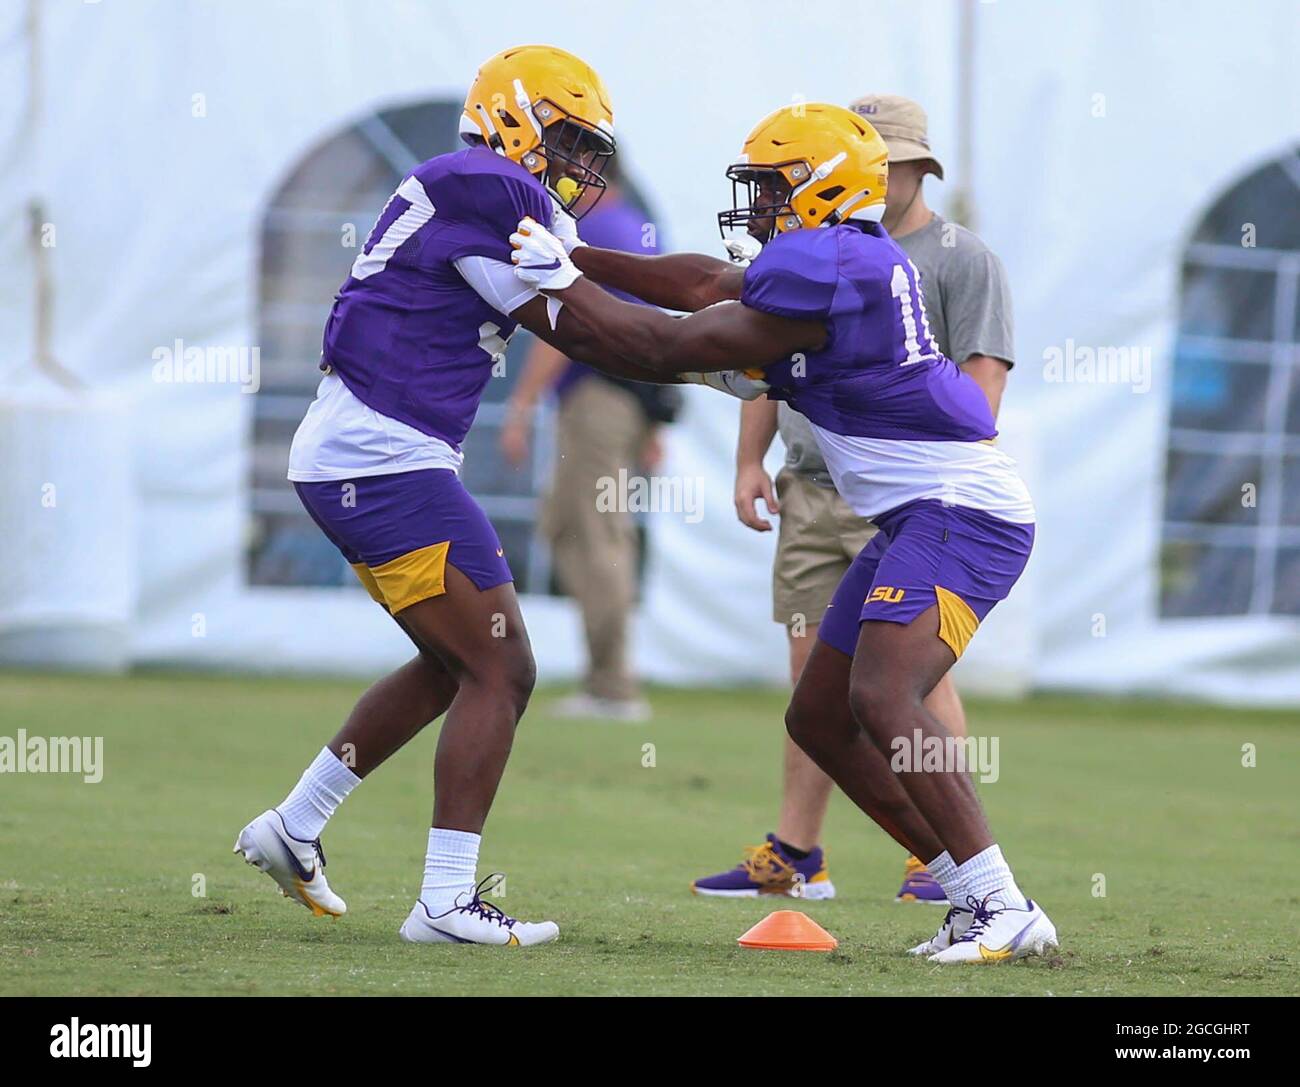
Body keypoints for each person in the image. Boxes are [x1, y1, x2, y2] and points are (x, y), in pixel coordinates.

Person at [505, 102, 1057, 963]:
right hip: (921, 512)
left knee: (881, 697)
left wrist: (537, 289)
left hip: (964, 514)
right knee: (821, 719)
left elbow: (657, 345)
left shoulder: (836, 266)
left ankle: (1000, 903)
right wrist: (577, 257)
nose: (756, 204)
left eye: (770, 186)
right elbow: (698, 285)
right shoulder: (843, 258)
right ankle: (972, 894)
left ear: (816, 186)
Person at [232, 44, 625, 947]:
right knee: (503, 666)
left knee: (458, 663)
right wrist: (724, 354)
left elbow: (597, 300)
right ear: (515, 119)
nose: (575, 164)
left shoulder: (478, 197)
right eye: (566, 137)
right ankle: (444, 902)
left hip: (367, 453)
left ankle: (293, 826)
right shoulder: (487, 184)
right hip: (382, 455)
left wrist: (710, 317)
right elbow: (612, 331)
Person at [691, 94, 1015, 904]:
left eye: (901, 161)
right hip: (815, 480)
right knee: (818, 691)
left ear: (913, 169)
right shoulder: (806, 255)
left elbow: (981, 390)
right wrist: (748, 460)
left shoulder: (955, 256)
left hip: (921, 495)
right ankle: (800, 849)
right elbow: (764, 354)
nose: (889, 174)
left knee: (908, 683)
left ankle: (950, 868)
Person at [500, 162, 679, 722]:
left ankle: (612, 685)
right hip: (626, 401)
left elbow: (566, 326)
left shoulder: (595, 233)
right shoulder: (634, 229)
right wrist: (652, 424)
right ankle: (608, 678)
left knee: (597, 535)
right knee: (577, 526)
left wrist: (522, 405)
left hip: (598, 401)